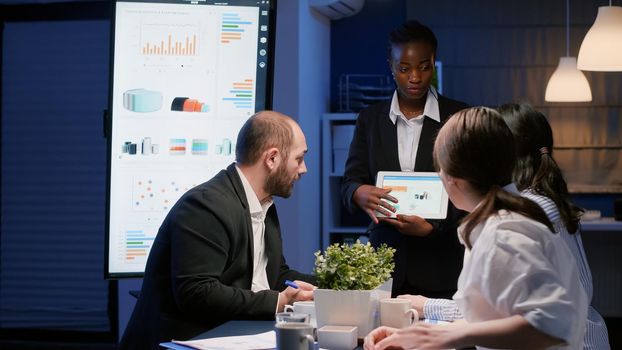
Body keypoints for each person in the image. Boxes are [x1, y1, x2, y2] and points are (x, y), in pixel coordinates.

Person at [364, 107, 587, 349]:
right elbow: (491, 320)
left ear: (453, 179)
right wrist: (417, 334)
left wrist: (445, 337)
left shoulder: (504, 236)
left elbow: (553, 324)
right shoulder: (499, 222)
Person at [120, 111, 317, 349]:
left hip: (232, 334)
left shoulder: (265, 204)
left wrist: (335, 286)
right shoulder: (206, 205)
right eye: (299, 158)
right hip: (183, 342)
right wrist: (278, 301)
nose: (304, 169)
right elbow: (196, 293)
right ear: (272, 158)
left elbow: (273, 275)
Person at [341, 20, 469, 298]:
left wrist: (434, 228)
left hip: (442, 266)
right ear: (391, 66)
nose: (415, 77)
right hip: (385, 269)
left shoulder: (459, 118)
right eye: (404, 68)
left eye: (423, 66)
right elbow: (350, 182)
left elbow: (473, 191)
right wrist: (358, 193)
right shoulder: (369, 120)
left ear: (433, 62)